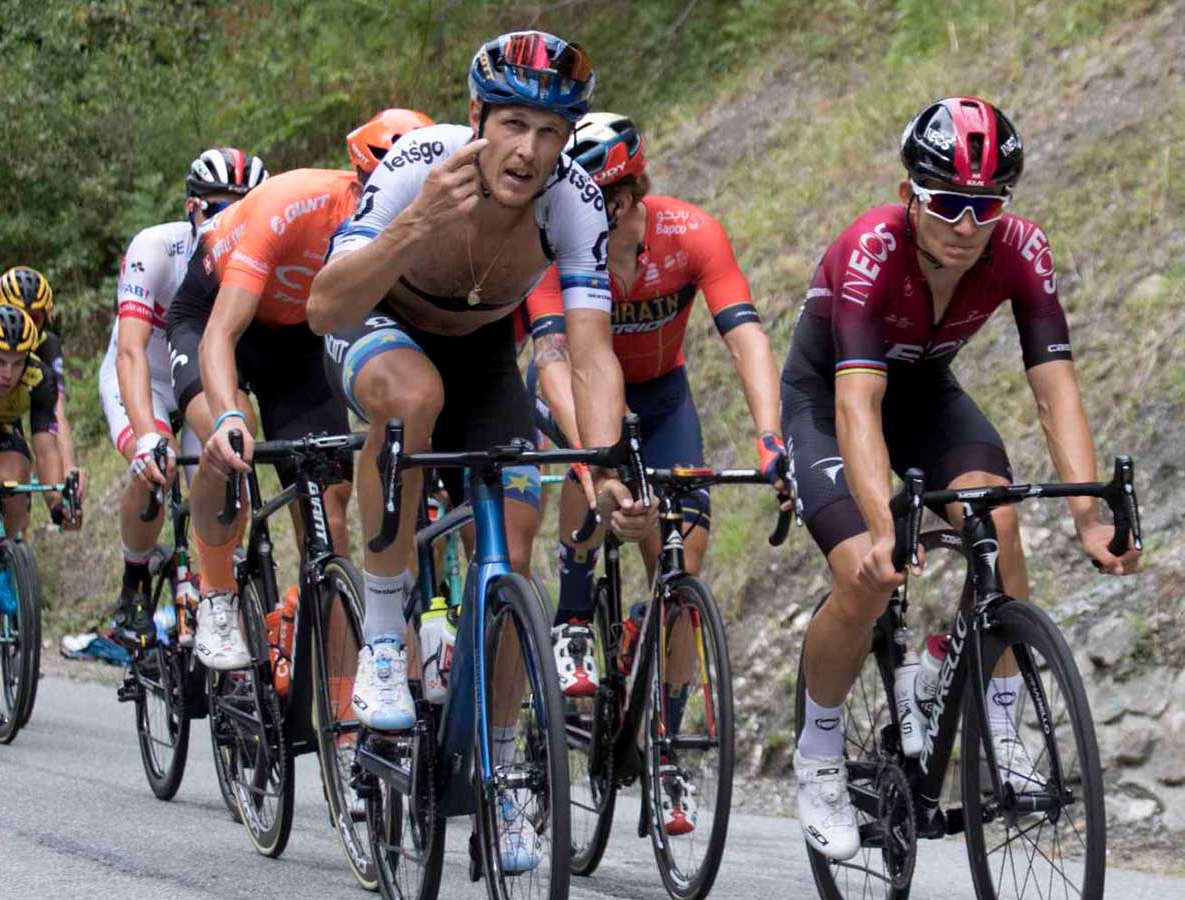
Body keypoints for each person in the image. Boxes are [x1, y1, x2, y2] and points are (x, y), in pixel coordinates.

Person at [309, 31, 655, 873]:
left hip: (478, 351)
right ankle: (386, 638)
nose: (528, 151)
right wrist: (418, 220)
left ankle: (502, 770)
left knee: (516, 545)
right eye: (511, 125)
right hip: (377, 323)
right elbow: (324, 305)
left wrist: (604, 463)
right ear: (476, 119)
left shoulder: (571, 202)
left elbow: (590, 351)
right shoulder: (422, 162)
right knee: (412, 399)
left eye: (549, 132)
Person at [781, 97, 1141, 860]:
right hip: (831, 397)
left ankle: (995, 718)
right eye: (947, 202)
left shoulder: (1021, 250)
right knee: (866, 576)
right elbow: (857, 404)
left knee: (997, 520)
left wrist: (1086, 517)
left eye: (986, 206)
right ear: (909, 190)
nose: (966, 223)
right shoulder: (870, 250)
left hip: (927, 394)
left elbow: (1055, 386)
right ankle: (817, 754)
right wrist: (884, 531)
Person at [523, 112, 787, 701]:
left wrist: (770, 433)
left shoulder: (690, 233)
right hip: (572, 389)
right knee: (589, 467)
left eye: (594, 196)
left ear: (628, 192)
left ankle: (664, 740)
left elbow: (746, 337)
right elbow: (553, 360)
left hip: (663, 397)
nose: (578, 207)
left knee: (681, 568)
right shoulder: (550, 245)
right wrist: (597, 455)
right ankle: (571, 614)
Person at [168, 112, 430, 671]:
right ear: (360, 182)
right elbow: (220, 333)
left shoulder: (417, 230)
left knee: (331, 510)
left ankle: (337, 709)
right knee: (231, 431)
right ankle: (215, 595)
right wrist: (224, 421)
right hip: (214, 318)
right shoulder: (293, 204)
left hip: (298, 342)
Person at [98, 147, 268, 648]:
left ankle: (213, 586)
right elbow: (129, 352)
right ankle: (132, 588)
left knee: (223, 465)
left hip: (200, 376)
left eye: (247, 206)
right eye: (220, 206)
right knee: (155, 464)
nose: (234, 218)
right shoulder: (155, 248)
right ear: (193, 207)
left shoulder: (257, 255)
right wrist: (148, 434)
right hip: (144, 377)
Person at [0, 266, 87, 505]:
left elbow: (56, 413)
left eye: (33, 318)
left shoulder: (46, 345)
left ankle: (16, 534)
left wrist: (67, 472)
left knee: (17, 479)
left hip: (22, 401)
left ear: (46, 317)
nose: (24, 325)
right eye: (16, 313)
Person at [0, 304, 80, 542]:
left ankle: (8, 555)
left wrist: (57, 506)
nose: (8, 373)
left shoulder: (38, 377)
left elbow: (46, 451)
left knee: (14, 482)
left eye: (17, 362)